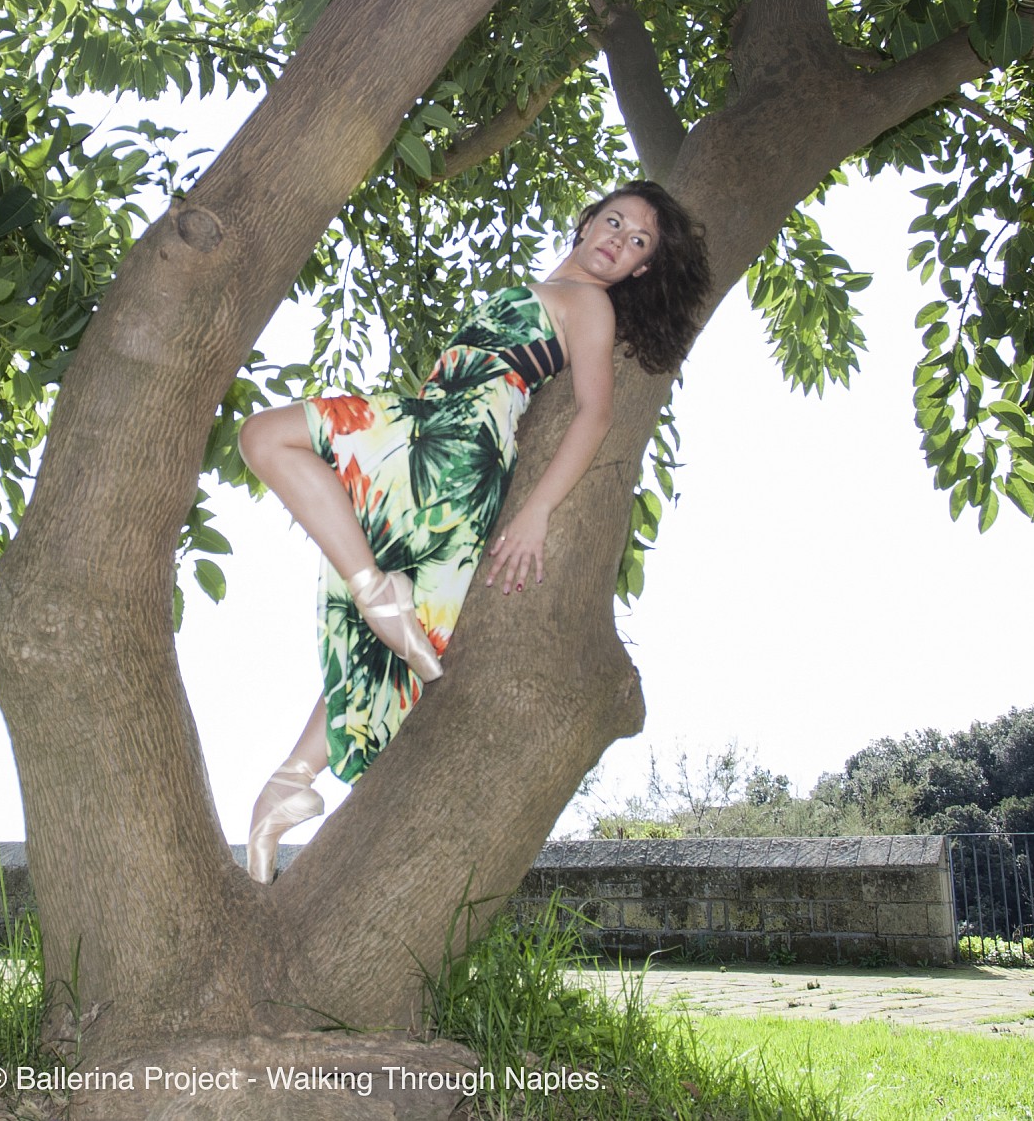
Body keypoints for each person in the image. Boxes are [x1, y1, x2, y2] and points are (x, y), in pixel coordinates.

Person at [235, 180, 709, 882]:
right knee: (378, 646)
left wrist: (537, 510)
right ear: (586, 222)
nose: (619, 240)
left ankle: (375, 591)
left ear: (641, 269)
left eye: (638, 241)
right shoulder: (556, 290)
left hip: (451, 439)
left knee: (264, 436)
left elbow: (595, 414)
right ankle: (290, 781)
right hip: (440, 448)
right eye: (614, 221)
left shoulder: (589, 305)